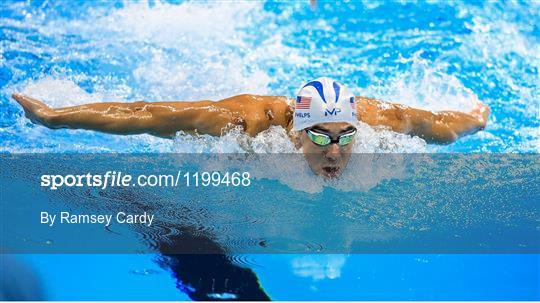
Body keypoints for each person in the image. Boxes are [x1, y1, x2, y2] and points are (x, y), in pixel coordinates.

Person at [12, 77, 489, 178]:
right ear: (296, 133)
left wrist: (475, 121)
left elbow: (440, 124)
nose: (336, 152)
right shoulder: (247, 124)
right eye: (320, 137)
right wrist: (54, 118)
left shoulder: (376, 121)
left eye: (346, 138)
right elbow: (144, 114)